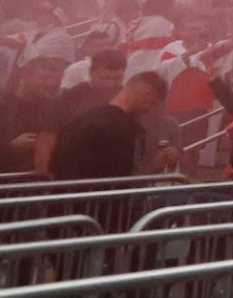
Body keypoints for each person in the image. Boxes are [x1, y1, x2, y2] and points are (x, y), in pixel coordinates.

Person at [51, 72, 172, 227]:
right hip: (104, 216)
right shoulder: (125, 128)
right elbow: (124, 181)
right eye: (153, 103)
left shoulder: (84, 118)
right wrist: (152, 170)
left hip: (68, 209)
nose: (149, 110)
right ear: (146, 94)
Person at [37, 46, 125, 175]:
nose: (110, 84)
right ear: (91, 73)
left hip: (112, 175)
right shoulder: (68, 99)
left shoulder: (126, 97)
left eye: (117, 78)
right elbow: (46, 139)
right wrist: (43, 176)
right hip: (71, 174)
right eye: (105, 78)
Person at [0, 55, 60, 175]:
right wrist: (11, 147)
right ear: (27, 76)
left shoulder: (54, 109)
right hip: (2, 183)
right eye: (44, 78)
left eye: (54, 79)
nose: (50, 84)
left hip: (40, 183)